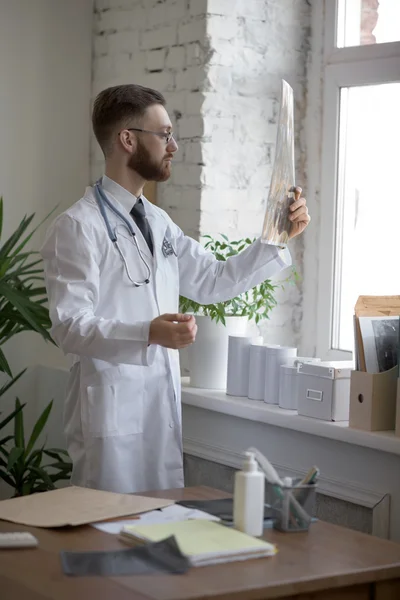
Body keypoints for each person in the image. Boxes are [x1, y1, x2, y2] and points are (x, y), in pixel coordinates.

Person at [40, 84, 310, 494]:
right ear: (127, 139)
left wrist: (276, 237)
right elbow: (70, 327)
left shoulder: (160, 223)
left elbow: (213, 280)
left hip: (156, 412)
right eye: (164, 134)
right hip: (112, 418)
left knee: (158, 531)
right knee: (108, 540)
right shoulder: (78, 226)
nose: (174, 146)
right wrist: (148, 332)